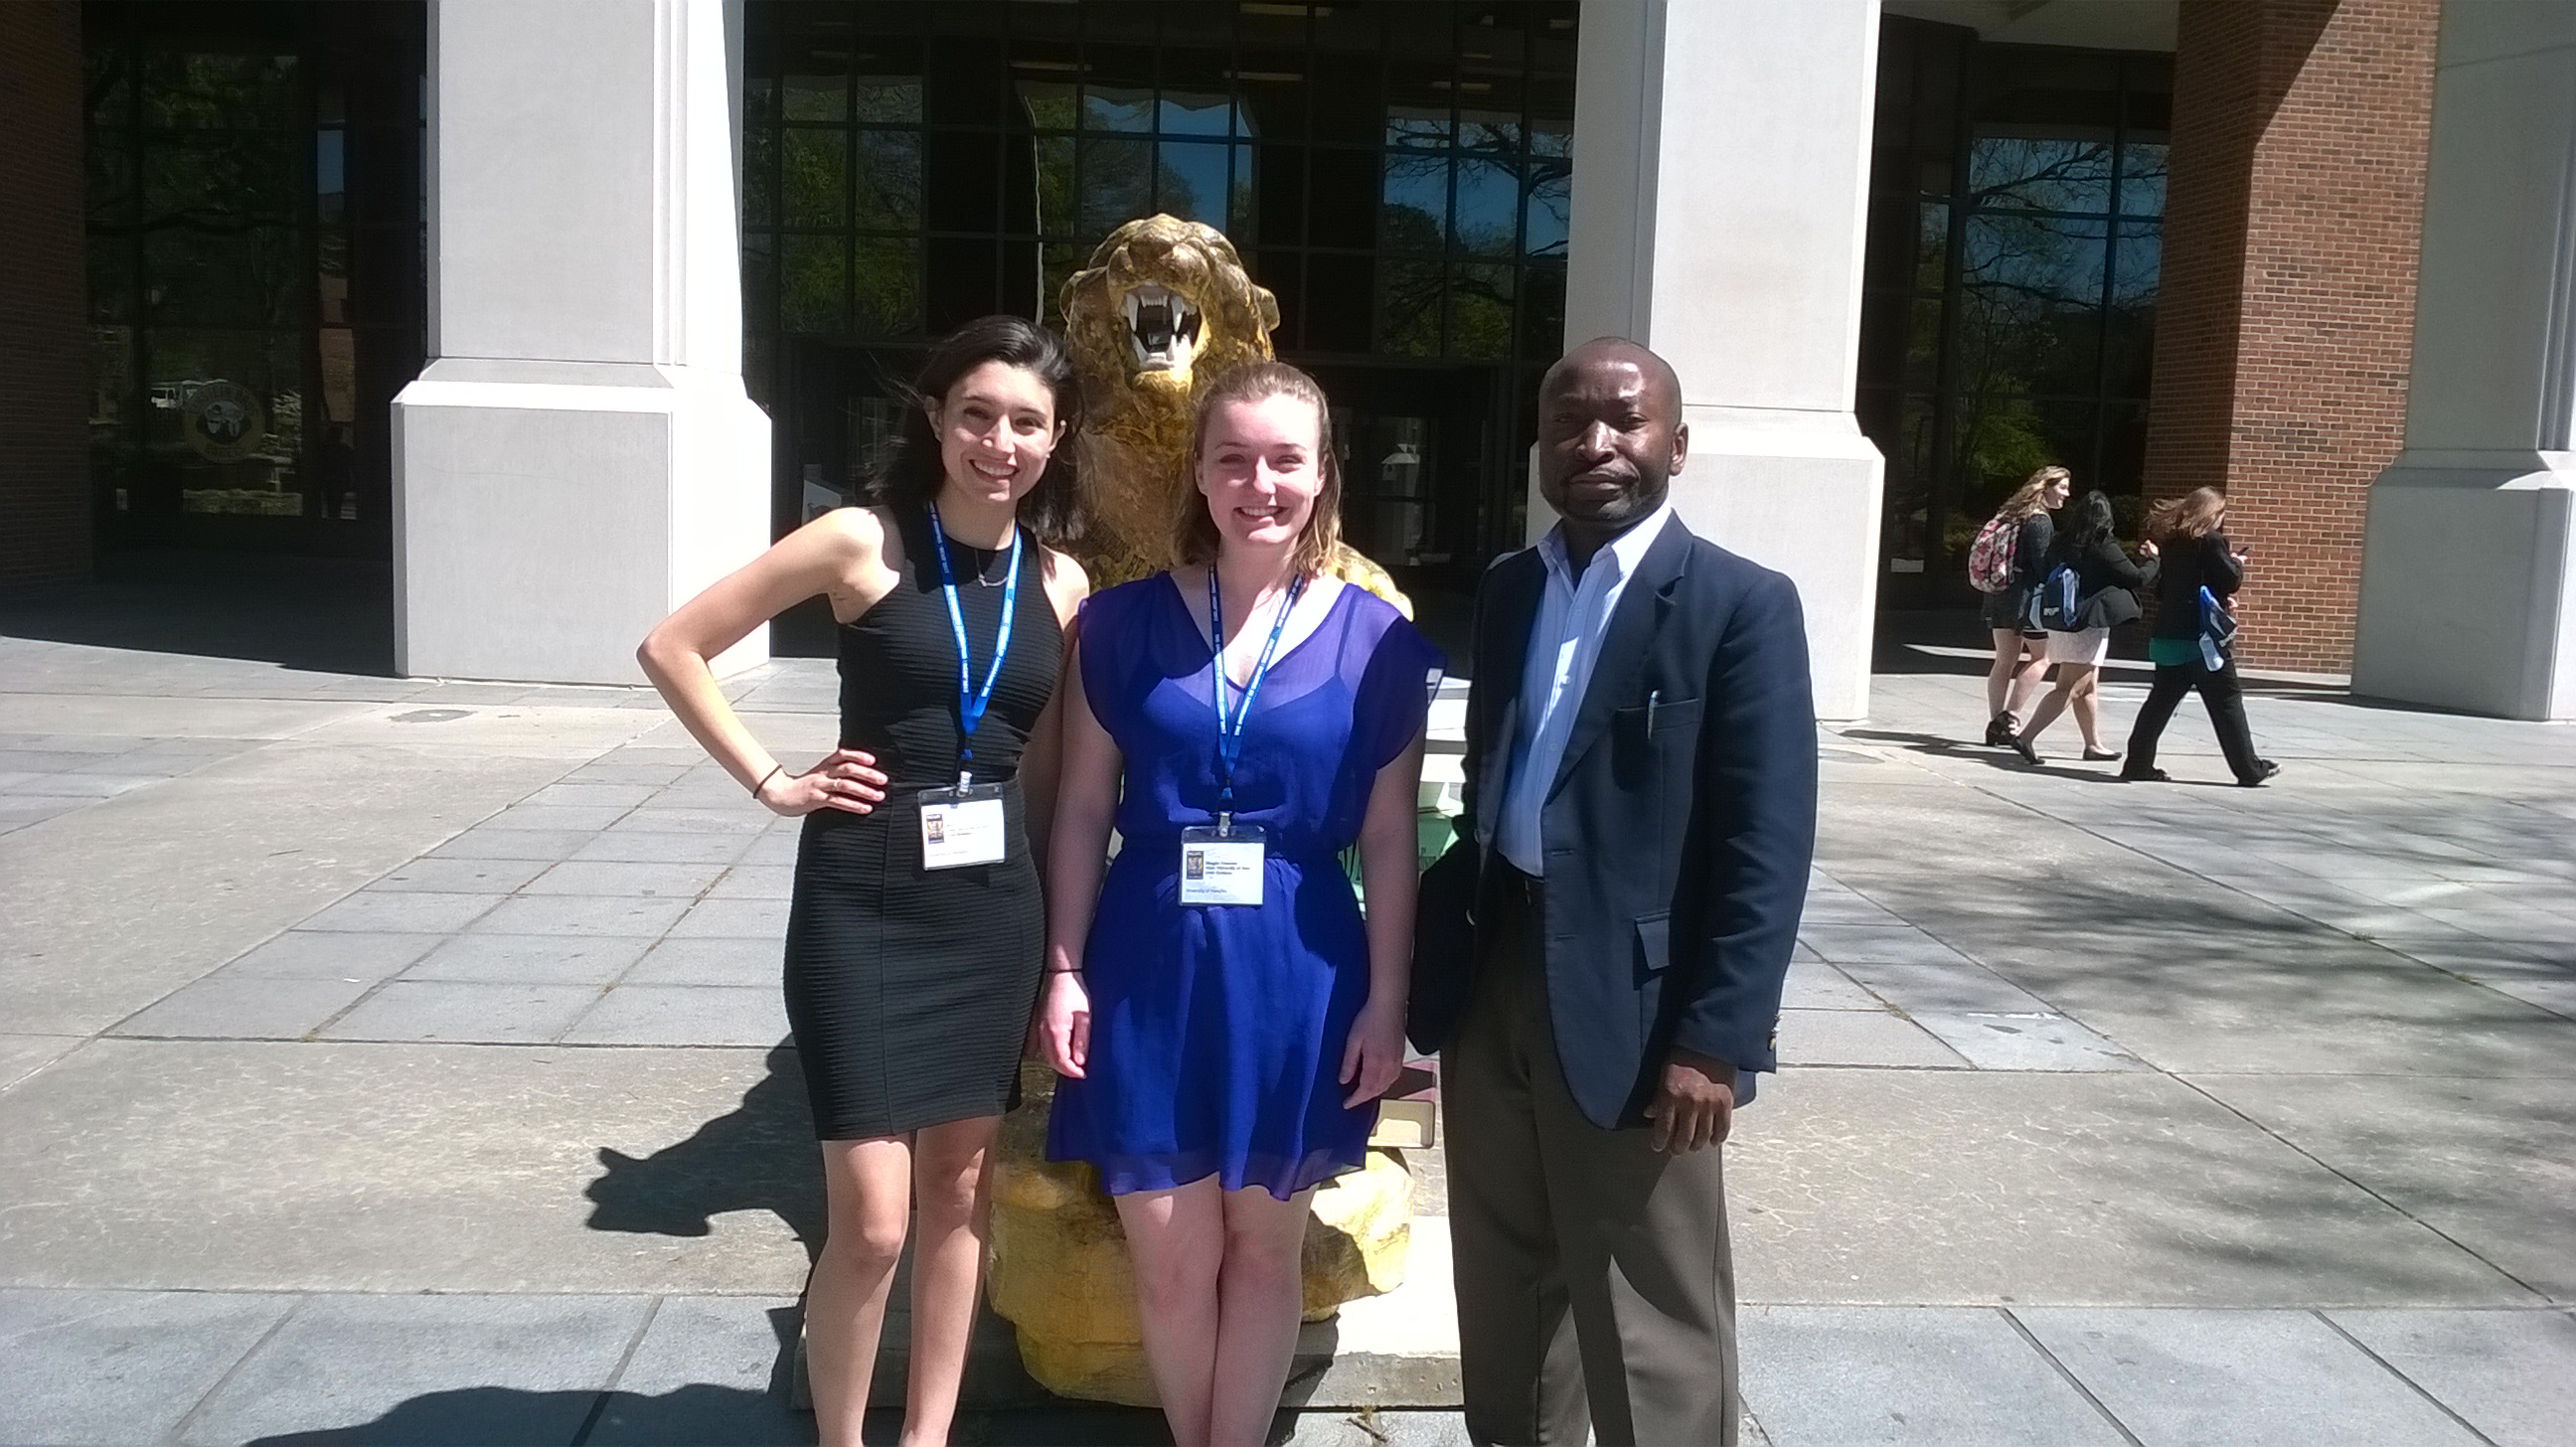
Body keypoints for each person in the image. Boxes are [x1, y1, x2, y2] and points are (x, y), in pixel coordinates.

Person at [636, 316, 1089, 1447]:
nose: (999, 440)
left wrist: (1056, 950)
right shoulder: (860, 540)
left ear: (1056, 439)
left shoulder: (1065, 580)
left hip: (993, 913)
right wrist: (772, 780)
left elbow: (1048, 771)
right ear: (935, 417)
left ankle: (928, 1437)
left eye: (1026, 422)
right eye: (976, 413)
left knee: (962, 1194)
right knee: (876, 1222)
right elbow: (674, 645)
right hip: (865, 902)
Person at [1411, 338, 1817, 1447]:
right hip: (1498, 976)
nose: (1596, 444)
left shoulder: (1741, 604)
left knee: (1651, 1308)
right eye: (1570, 422)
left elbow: (1767, 846)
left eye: (1625, 422)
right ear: (1539, 443)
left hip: (1643, 1011)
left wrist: (1717, 1035)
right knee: (1506, 1283)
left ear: (1675, 444)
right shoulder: (1507, 590)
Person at [1038, 361, 1437, 1447]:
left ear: (1322, 474)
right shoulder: (1115, 629)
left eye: (1285, 459)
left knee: (1265, 1251)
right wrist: (1064, 966)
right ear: (1201, 475)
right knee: (1170, 1253)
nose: (1259, 482)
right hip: (1146, 966)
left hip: (1300, 973)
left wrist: (1388, 1001)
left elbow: (1393, 837)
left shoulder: (1378, 641)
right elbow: (1081, 807)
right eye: (1234, 458)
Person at [2121, 486, 2279, 786]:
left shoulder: (2171, 542)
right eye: (2221, 514)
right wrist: (2237, 564)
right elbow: (2230, 580)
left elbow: (2164, 589)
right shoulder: (2213, 541)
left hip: (2168, 635)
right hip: (2203, 641)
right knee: (2227, 702)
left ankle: (2138, 763)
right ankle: (2248, 769)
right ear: (2213, 513)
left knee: (2159, 703)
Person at [2012, 489, 2150, 764]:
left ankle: (2093, 744)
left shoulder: (2062, 542)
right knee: (2071, 686)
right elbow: (2136, 577)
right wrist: (2153, 559)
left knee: (2088, 686)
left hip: (2063, 619)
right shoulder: (2101, 543)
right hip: (2087, 624)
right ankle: (2025, 737)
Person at [1979, 466, 2071, 745]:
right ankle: (2010, 717)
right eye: (2063, 487)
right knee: (2043, 656)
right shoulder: (2040, 520)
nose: (2067, 494)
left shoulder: (2010, 513)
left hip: (1998, 592)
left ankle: (1995, 721)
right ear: (2046, 487)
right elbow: (2042, 565)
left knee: (2004, 660)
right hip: (2025, 600)